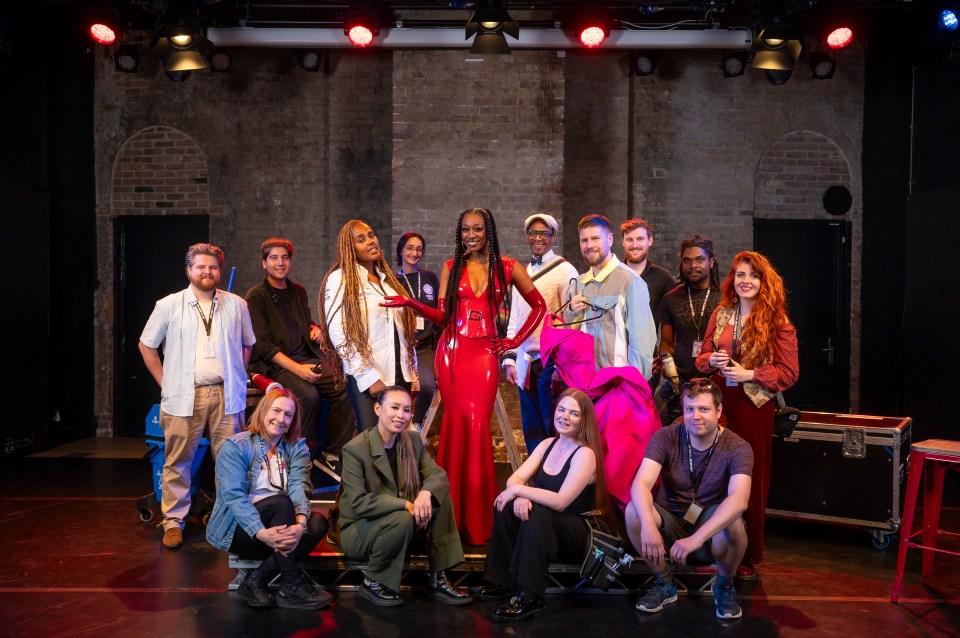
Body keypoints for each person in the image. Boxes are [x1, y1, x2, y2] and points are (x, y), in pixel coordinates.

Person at [382, 207, 546, 545]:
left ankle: (479, 522)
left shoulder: (509, 267)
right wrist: (411, 304)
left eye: (478, 229)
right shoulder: (449, 268)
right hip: (452, 353)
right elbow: (443, 317)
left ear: (489, 232)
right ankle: (449, 519)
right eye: (465, 230)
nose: (470, 235)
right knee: (455, 426)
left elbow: (539, 306)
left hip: (485, 354)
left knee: (476, 426)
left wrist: (513, 341)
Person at [139, 243, 256, 550]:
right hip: (183, 396)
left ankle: (226, 519)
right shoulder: (168, 305)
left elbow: (247, 344)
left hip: (225, 395)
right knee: (178, 461)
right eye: (201, 267)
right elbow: (146, 346)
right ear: (189, 270)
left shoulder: (237, 305)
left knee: (230, 461)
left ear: (220, 270)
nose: (208, 272)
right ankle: (173, 521)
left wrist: (236, 374)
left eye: (213, 267)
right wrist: (166, 383)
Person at [695, 251, 799, 578]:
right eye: (740, 275)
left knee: (748, 479)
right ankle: (707, 546)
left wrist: (751, 375)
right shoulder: (722, 313)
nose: (746, 281)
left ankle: (745, 556)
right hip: (718, 404)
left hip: (754, 407)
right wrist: (710, 361)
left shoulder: (777, 322)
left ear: (764, 282)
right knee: (712, 476)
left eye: (753, 276)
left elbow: (789, 372)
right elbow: (700, 359)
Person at [479, 388, 613, 622]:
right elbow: (514, 480)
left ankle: (530, 595)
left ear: (584, 420)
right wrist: (519, 495)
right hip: (546, 525)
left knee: (536, 514)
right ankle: (502, 581)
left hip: (577, 531)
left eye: (574, 413)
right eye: (561, 410)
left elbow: (560, 502)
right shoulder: (547, 444)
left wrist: (522, 491)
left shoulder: (585, 454)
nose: (565, 417)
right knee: (506, 504)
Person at [625, 378, 753, 619]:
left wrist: (697, 538)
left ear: (718, 410)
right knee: (635, 511)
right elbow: (641, 483)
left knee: (734, 523)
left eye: (704, 409)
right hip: (671, 523)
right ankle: (664, 584)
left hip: (709, 532)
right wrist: (649, 526)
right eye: (689, 409)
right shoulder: (666, 437)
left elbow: (739, 499)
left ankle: (724, 587)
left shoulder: (738, 447)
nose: (696, 416)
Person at [337, 386, 472, 607]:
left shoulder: (412, 441)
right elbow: (358, 503)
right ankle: (373, 581)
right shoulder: (355, 449)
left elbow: (437, 475)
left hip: (398, 525)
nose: (401, 415)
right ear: (378, 409)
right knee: (402, 518)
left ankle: (438, 577)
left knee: (438, 497)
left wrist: (426, 494)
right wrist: (405, 504)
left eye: (407, 410)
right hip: (359, 527)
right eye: (395, 408)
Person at [206, 388, 333, 610]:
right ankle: (292, 584)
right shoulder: (236, 446)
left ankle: (256, 579)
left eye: (288, 414)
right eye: (276, 411)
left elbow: (299, 486)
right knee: (280, 503)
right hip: (242, 530)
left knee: (318, 522)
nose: (281, 419)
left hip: (278, 530)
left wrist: (300, 526)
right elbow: (234, 497)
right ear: (264, 411)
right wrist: (261, 532)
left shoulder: (296, 447)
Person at [245, 238, 355, 478]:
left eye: (284, 257)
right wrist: (297, 369)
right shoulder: (256, 296)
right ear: (264, 263)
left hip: (306, 358)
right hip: (275, 365)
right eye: (273, 258)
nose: (280, 263)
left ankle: (331, 455)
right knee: (307, 394)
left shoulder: (298, 292)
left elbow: (303, 324)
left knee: (345, 382)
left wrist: (313, 329)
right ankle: (296, 460)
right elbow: (264, 347)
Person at [319, 220, 419, 432]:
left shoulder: (387, 281)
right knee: (373, 448)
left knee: (399, 446)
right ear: (350, 247)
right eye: (361, 240)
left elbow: (401, 332)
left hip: (400, 376)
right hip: (370, 379)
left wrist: (413, 371)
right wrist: (369, 377)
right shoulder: (340, 279)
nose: (371, 242)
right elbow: (339, 333)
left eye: (371, 235)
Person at [502, 214, 579, 453]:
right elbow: (515, 316)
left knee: (553, 426)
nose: (538, 238)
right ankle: (535, 481)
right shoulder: (523, 270)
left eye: (543, 234)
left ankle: (554, 481)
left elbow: (572, 321)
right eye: (533, 233)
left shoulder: (566, 270)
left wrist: (561, 364)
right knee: (532, 427)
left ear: (553, 236)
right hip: (525, 362)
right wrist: (509, 358)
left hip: (550, 363)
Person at [564, 214, 657, 382]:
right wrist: (571, 311)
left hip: (616, 386)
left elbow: (642, 346)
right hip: (583, 384)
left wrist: (630, 385)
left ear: (610, 239)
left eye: (595, 238)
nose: (589, 245)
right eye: (584, 240)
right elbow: (567, 336)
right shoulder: (578, 283)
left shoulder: (630, 281)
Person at [656, 234, 722, 425]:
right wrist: (667, 366)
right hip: (681, 382)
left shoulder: (726, 297)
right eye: (688, 260)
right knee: (654, 424)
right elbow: (666, 342)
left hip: (716, 383)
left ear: (711, 262)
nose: (693, 265)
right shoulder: (671, 298)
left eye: (700, 259)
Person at [394, 232, 440, 430]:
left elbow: (439, 311)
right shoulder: (393, 281)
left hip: (425, 346)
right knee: (400, 389)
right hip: (402, 347)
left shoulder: (429, 277)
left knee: (427, 386)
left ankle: (417, 422)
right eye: (410, 248)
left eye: (419, 249)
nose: (415, 252)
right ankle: (397, 427)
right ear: (401, 251)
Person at [621, 218, 676, 316]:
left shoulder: (663, 278)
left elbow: (673, 316)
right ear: (623, 241)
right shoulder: (613, 274)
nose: (635, 245)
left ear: (650, 241)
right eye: (629, 240)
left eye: (640, 239)